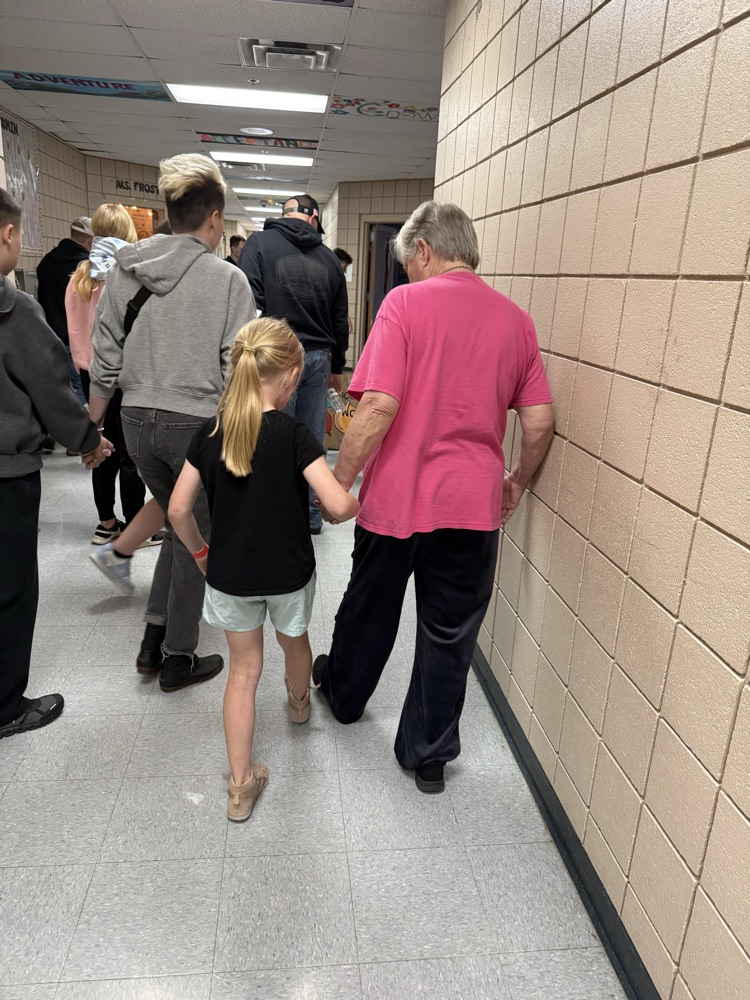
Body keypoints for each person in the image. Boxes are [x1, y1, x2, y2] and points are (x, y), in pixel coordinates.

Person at [312, 201, 554, 794]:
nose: (409, 275)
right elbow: (539, 421)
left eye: (409, 264)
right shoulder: (516, 321)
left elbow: (377, 405)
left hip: (397, 503)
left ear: (423, 249)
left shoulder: (403, 305)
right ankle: (429, 754)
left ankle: (344, 698)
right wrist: (516, 481)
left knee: (369, 609)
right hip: (472, 508)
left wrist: (340, 483)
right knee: (450, 633)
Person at [169, 317, 359, 820]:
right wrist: (358, 501)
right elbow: (337, 505)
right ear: (292, 375)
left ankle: (239, 786)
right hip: (288, 573)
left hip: (230, 575)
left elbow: (178, 510)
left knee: (243, 671)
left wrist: (202, 554)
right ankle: (298, 704)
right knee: (294, 642)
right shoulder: (295, 434)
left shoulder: (211, 432)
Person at [88, 153, 255, 690]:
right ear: (215, 218)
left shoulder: (126, 268)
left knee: (176, 525)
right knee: (194, 535)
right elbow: (236, 369)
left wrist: (93, 426)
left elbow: (105, 348)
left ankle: (152, 638)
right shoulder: (229, 280)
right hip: (196, 426)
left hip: (135, 420)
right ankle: (178, 657)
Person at [0, 188, 113, 739]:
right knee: (10, 588)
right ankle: (6, 706)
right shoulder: (13, 309)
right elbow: (50, 384)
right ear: (7, 234)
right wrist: (88, 438)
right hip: (6, 474)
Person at [238, 193, 349, 534]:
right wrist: (338, 367)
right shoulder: (329, 258)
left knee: (271, 437)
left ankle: (276, 517)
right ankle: (311, 517)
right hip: (318, 358)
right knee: (311, 439)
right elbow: (340, 319)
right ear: (314, 219)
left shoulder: (258, 245)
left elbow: (249, 303)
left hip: (275, 356)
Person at [66, 203, 147, 545]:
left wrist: (82, 365)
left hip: (89, 373)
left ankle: (106, 523)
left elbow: (73, 329)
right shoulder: (128, 273)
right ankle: (136, 524)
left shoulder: (78, 278)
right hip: (124, 374)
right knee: (129, 452)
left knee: (101, 446)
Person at [36, 215, 93, 410]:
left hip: (51, 337)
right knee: (82, 388)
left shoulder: (46, 262)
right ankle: (86, 427)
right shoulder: (85, 267)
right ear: (91, 241)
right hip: (77, 339)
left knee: (62, 390)